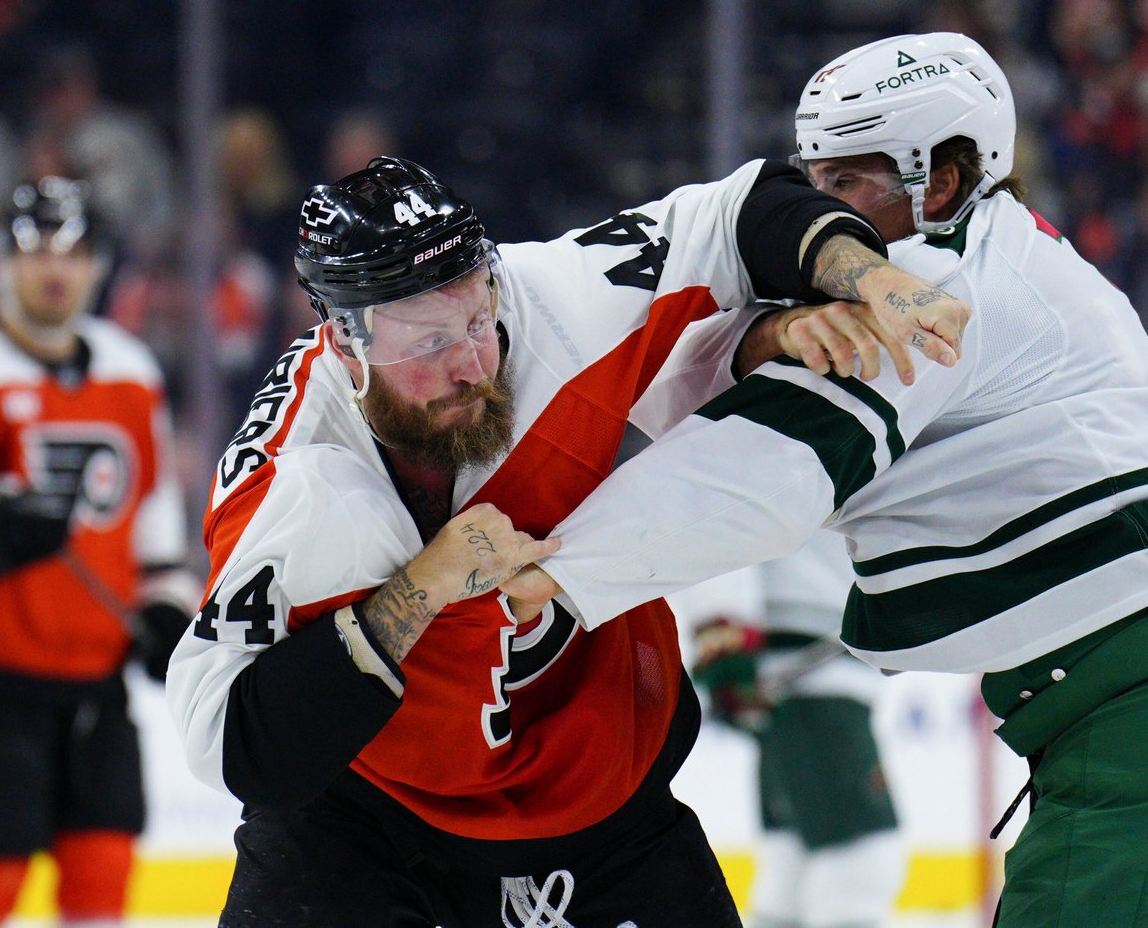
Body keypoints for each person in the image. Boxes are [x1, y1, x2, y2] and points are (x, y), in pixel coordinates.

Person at [505, 33, 1148, 926]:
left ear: (937, 182)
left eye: (844, 185)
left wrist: (551, 575)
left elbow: (761, 467)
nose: (815, 212)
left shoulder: (932, 286)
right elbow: (732, 378)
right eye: (810, 178)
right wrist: (760, 341)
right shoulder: (1023, 257)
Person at [165, 155, 969, 926]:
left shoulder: (553, 301)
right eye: (429, 342)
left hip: (602, 797)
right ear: (347, 345)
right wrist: (419, 590)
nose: (473, 364)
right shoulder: (289, 475)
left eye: (477, 315)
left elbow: (738, 209)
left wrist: (870, 278)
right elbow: (238, 745)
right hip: (370, 820)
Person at [0, 177, 197, 926]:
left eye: (73, 252)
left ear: (99, 266)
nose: (54, 269)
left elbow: (156, 528)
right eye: (35, 249)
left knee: (104, 880)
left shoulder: (130, 371)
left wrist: (168, 614)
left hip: (98, 687)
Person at [679, 528, 903, 928]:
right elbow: (724, 511)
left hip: (808, 669)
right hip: (807, 672)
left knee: (792, 862)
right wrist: (723, 634)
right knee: (859, 861)